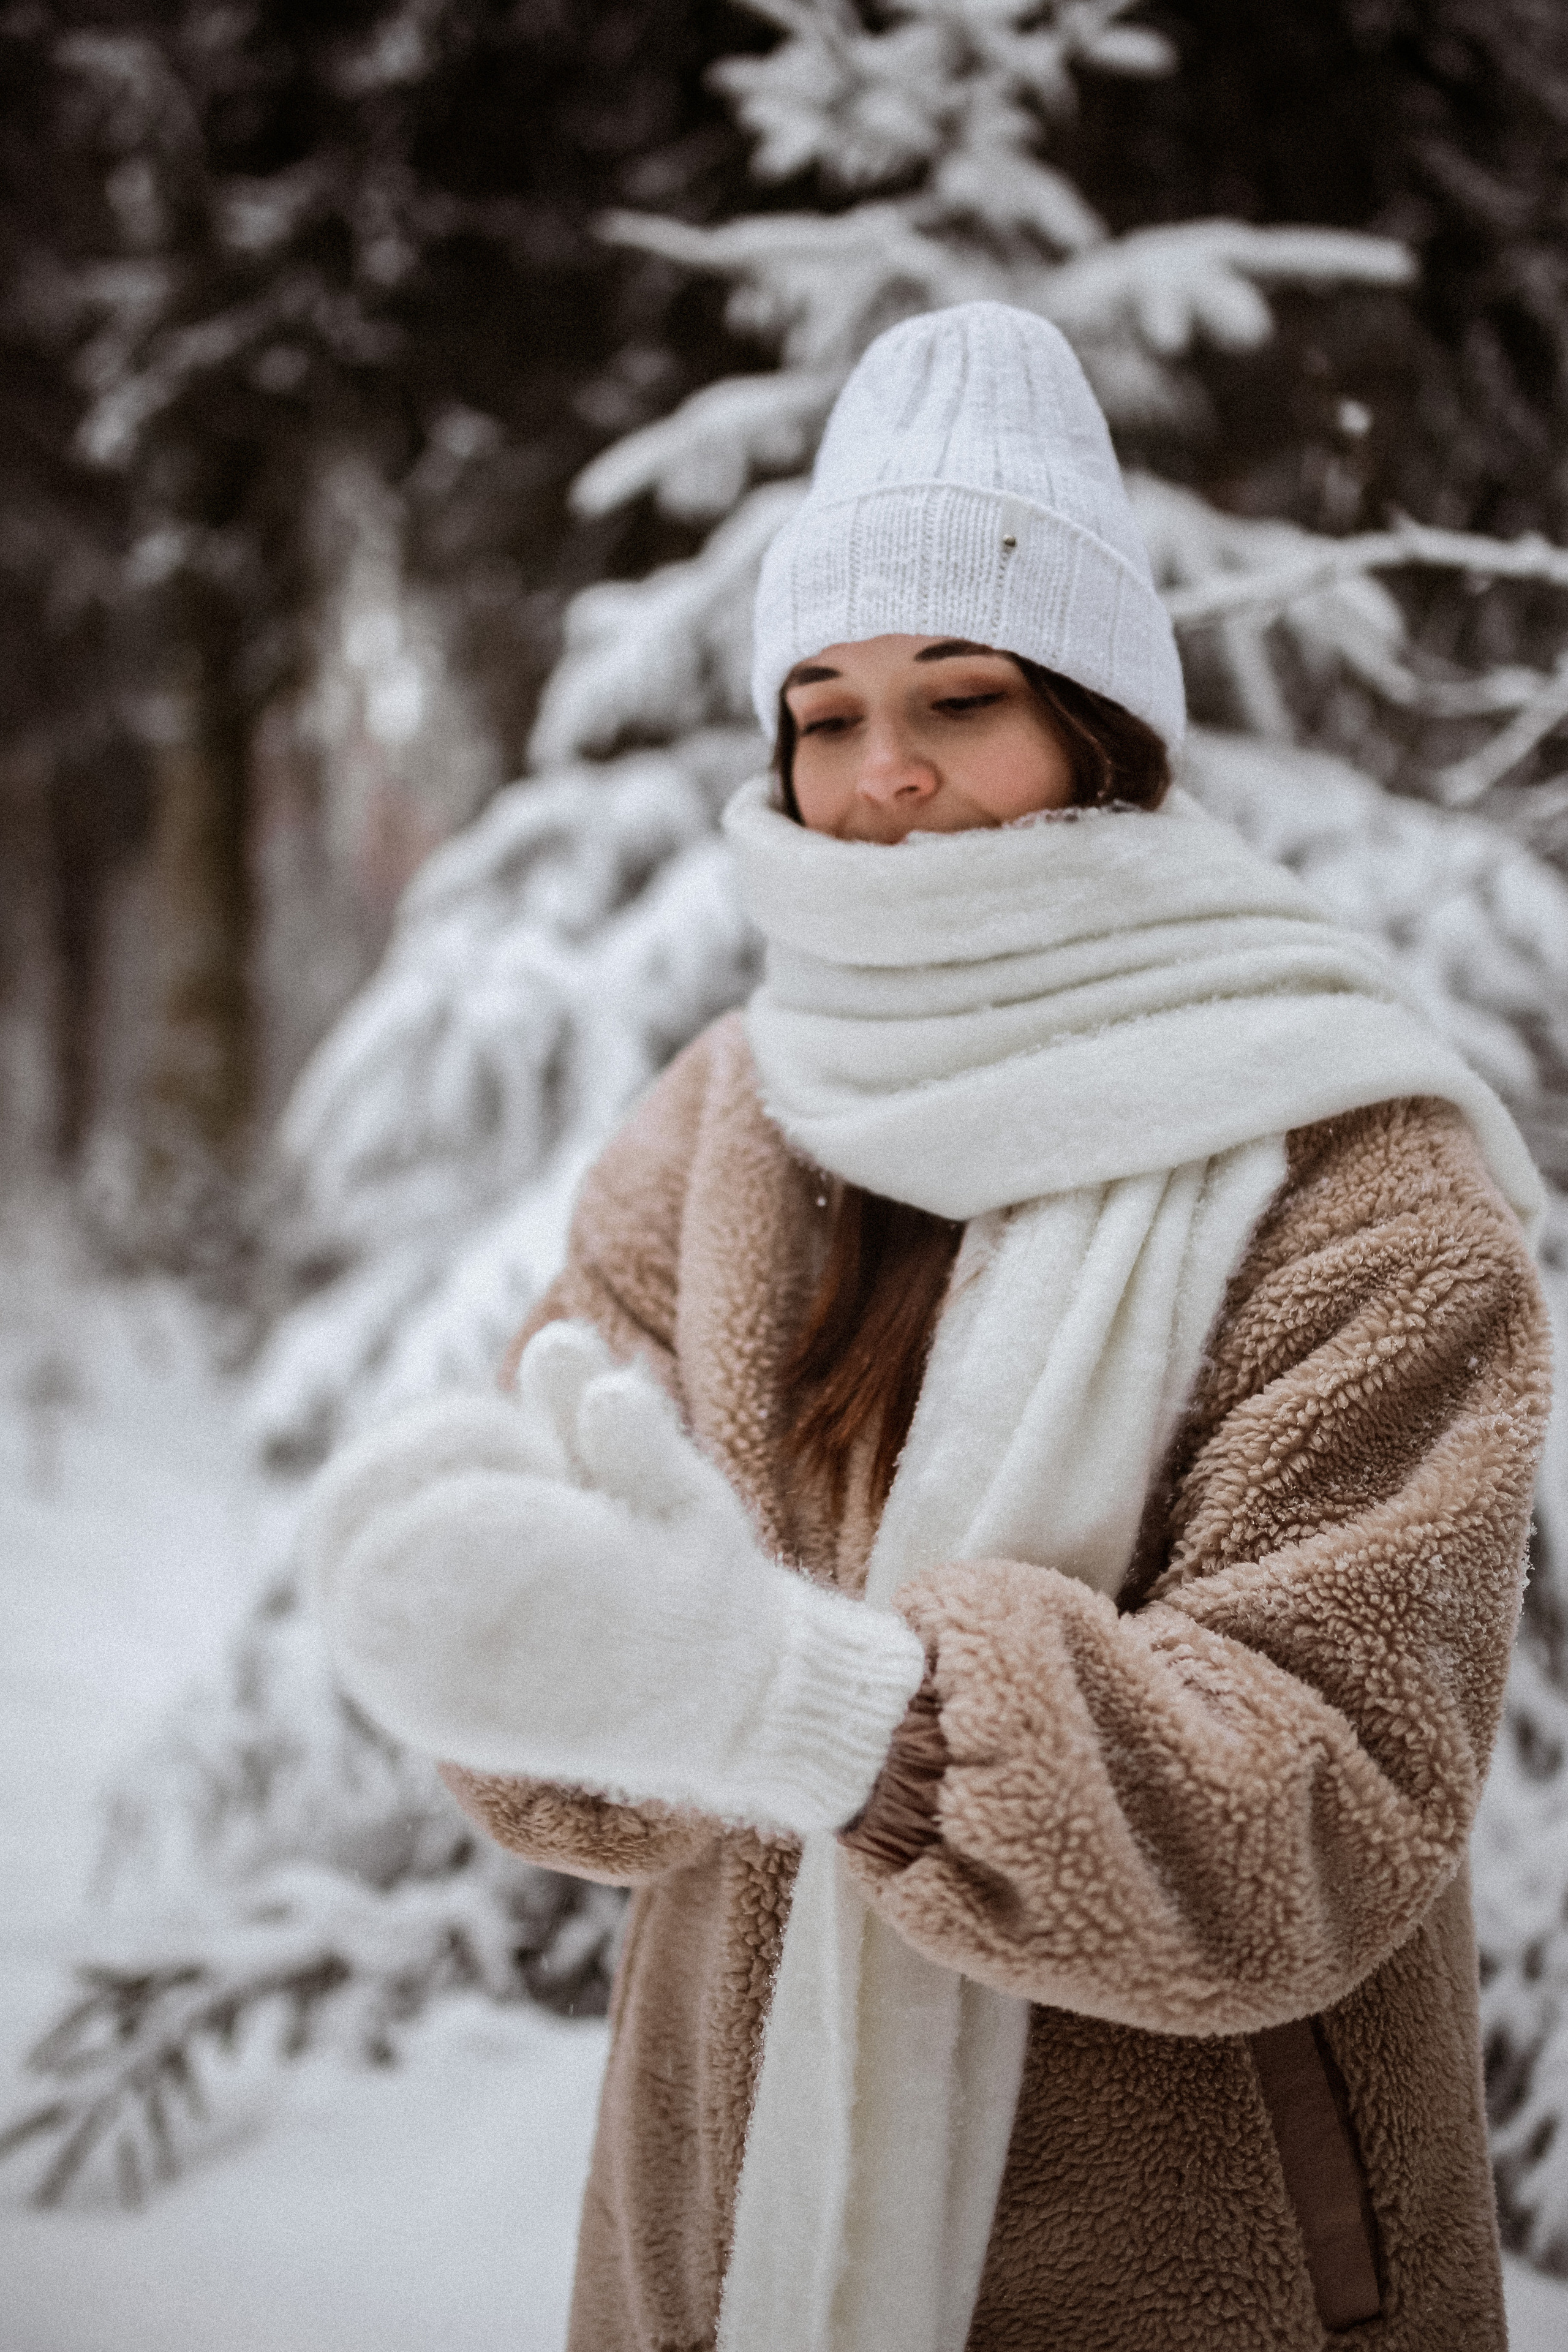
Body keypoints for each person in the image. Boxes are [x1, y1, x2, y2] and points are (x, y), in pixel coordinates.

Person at [303, 304, 1551, 2352]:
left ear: (1094, 725)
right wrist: (505, 1630)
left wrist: (825, 1709)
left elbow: (1313, 1814)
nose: (880, 779)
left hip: (1194, 2276)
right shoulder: (724, 1122)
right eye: (825, 711)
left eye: (957, 699)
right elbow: (604, 1711)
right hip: (725, 2261)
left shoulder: (1353, 1167)